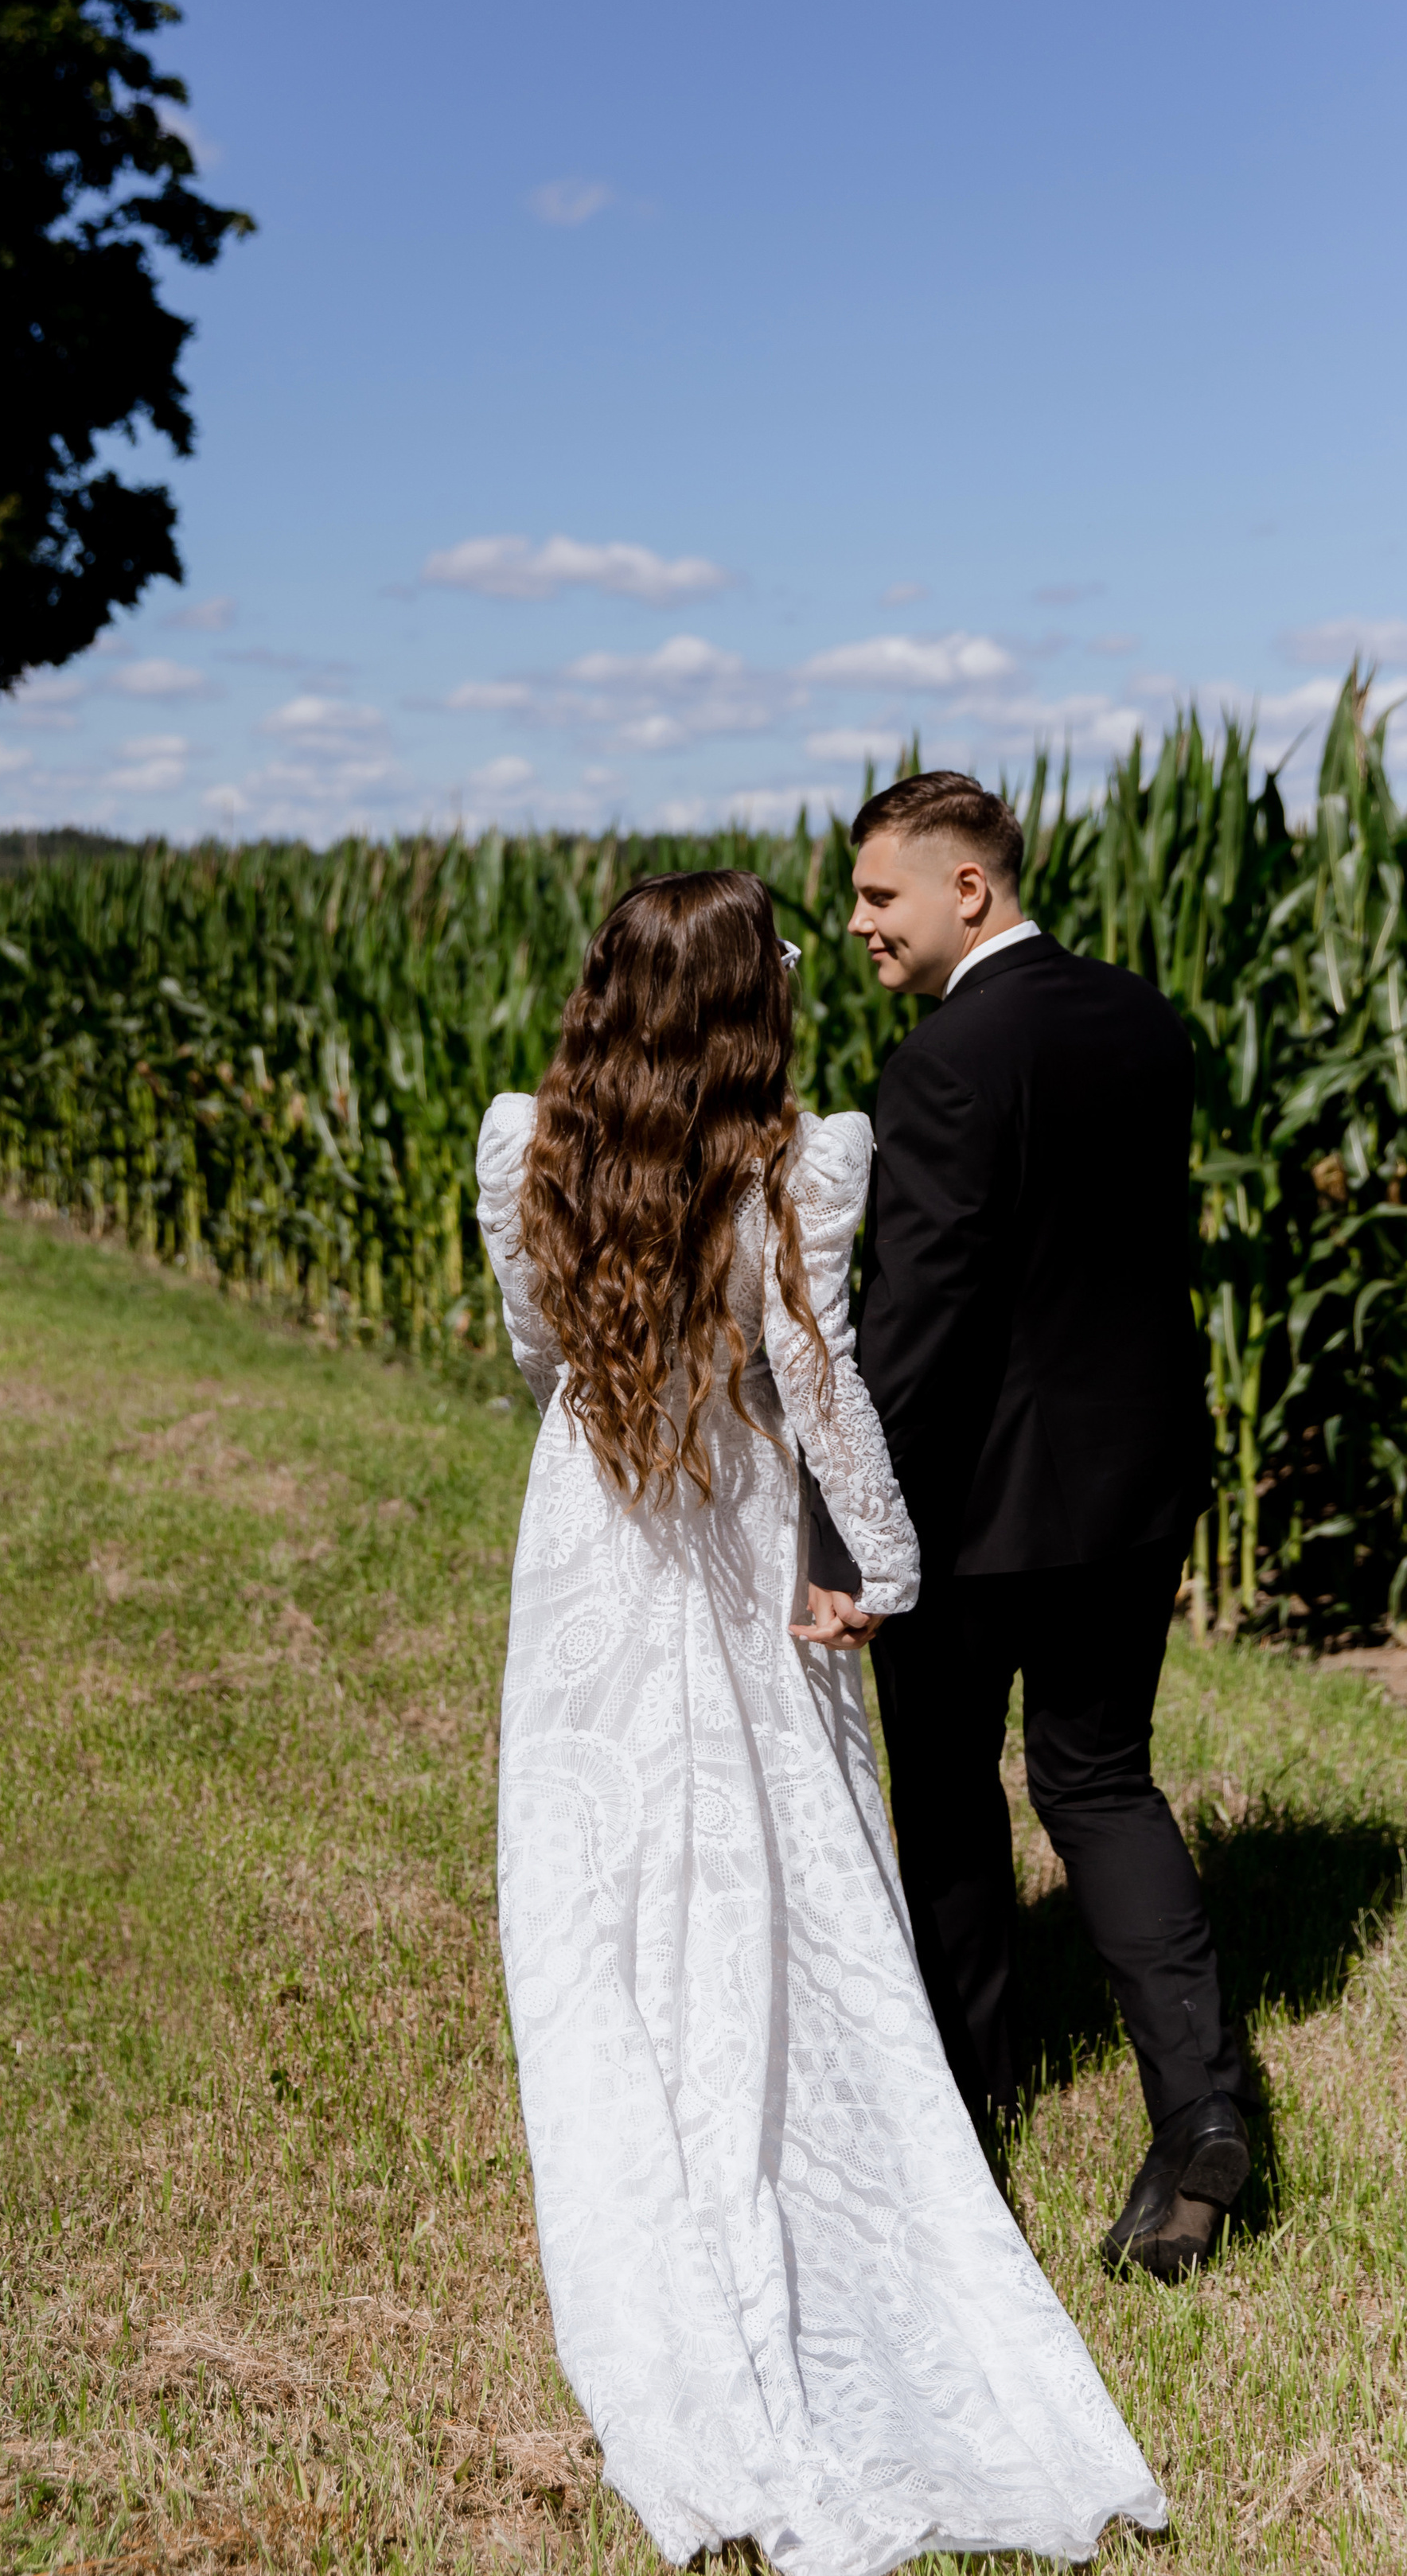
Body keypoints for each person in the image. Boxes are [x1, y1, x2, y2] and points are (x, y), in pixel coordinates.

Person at [477, 867, 1167, 2576]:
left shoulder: (519, 1143)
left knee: (604, 1856)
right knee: (789, 1843)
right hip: (736, 1526)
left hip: (594, 1518)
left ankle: (642, 2100)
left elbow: (532, 1347)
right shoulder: (809, 1160)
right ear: (742, 1002)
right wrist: (878, 1563)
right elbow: (820, 1380)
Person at [845, 771, 1250, 2282]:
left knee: (951, 1798)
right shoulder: (1141, 1017)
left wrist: (852, 1526)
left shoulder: (948, 1058)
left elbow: (926, 1322)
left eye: (882, 896)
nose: (860, 923)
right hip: (1138, 1484)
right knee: (1099, 1783)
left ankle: (964, 2105)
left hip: (983, 1510)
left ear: (971, 889)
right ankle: (1199, 2106)